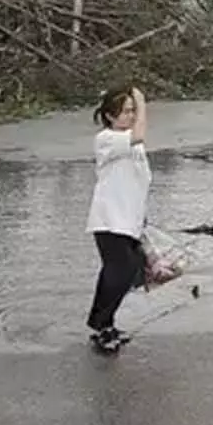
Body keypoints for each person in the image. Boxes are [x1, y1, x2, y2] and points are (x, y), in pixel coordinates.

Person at [86, 86, 150, 353]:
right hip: (109, 220)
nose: (131, 116)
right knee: (119, 272)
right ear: (111, 116)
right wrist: (143, 103)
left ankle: (106, 323)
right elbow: (138, 135)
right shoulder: (107, 139)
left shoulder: (131, 143)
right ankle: (101, 325)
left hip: (128, 220)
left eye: (133, 111)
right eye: (126, 111)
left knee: (126, 271)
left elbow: (139, 181)